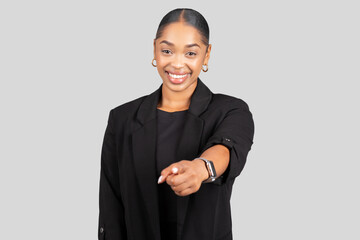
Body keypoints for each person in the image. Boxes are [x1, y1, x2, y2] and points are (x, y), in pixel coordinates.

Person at [98, 8, 255, 240]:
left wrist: (201, 169)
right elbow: (111, 208)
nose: (177, 64)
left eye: (190, 53)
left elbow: (226, 150)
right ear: (154, 49)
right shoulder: (122, 119)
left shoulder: (231, 110)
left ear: (207, 54)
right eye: (167, 51)